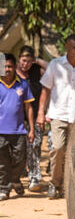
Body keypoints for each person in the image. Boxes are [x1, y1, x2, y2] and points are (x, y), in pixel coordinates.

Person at [36, 34, 75, 199]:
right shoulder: (55, 65)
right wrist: (40, 113)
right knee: (58, 148)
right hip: (58, 114)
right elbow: (46, 90)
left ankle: (71, 185)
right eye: (73, 48)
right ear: (66, 47)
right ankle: (55, 183)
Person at [0, 53, 35, 200]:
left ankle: (15, 179)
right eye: (4, 66)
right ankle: (4, 188)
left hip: (19, 130)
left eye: (10, 66)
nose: (7, 69)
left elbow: (28, 108)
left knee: (20, 159)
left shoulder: (23, 84)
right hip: (0, 131)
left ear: (15, 67)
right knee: (2, 162)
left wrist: (32, 129)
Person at [17, 46, 49, 192]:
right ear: (19, 60)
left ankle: (34, 177)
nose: (26, 64)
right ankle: (14, 178)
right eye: (24, 61)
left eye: (29, 61)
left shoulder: (37, 72)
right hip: (16, 118)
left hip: (35, 115)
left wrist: (37, 61)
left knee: (35, 145)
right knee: (19, 149)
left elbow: (52, 69)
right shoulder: (11, 72)